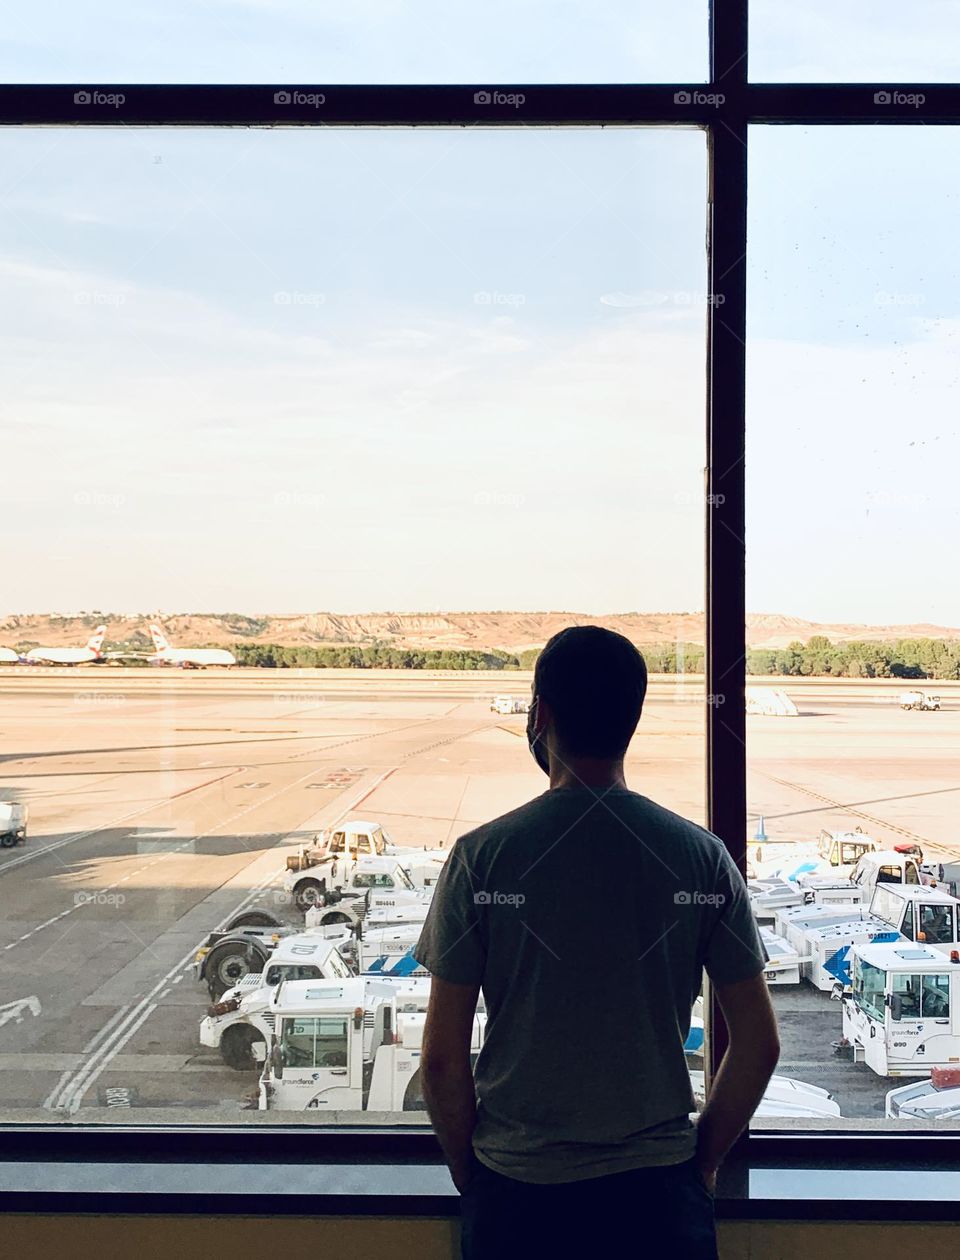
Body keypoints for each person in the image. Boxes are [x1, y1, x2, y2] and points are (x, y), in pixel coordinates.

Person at [413, 625, 780, 1259]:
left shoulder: (482, 858)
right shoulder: (702, 858)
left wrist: (478, 1181)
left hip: (518, 1196)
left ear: (541, 715)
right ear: (633, 720)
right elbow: (757, 1044)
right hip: (657, 1202)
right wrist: (700, 1165)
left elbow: (442, 1061)